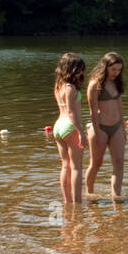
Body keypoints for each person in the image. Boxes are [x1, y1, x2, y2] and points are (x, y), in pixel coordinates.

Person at [85, 52, 126, 201]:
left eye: (119, 70)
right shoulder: (94, 84)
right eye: (114, 69)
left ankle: (117, 198)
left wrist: (123, 128)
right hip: (100, 127)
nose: (116, 73)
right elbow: (93, 111)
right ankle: (89, 194)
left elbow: (119, 107)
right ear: (105, 67)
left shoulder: (117, 82)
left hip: (117, 127)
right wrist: (97, 132)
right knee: (96, 163)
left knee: (119, 163)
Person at [51, 53, 86, 203]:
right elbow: (71, 112)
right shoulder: (70, 88)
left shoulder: (58, 86)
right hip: (70, 126)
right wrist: (81, 132)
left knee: (65, 165)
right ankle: (77, 202)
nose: (81, 73)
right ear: (72, 69)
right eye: (79, 69)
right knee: (76, 167)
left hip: (58, 126)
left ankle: (67, 201)